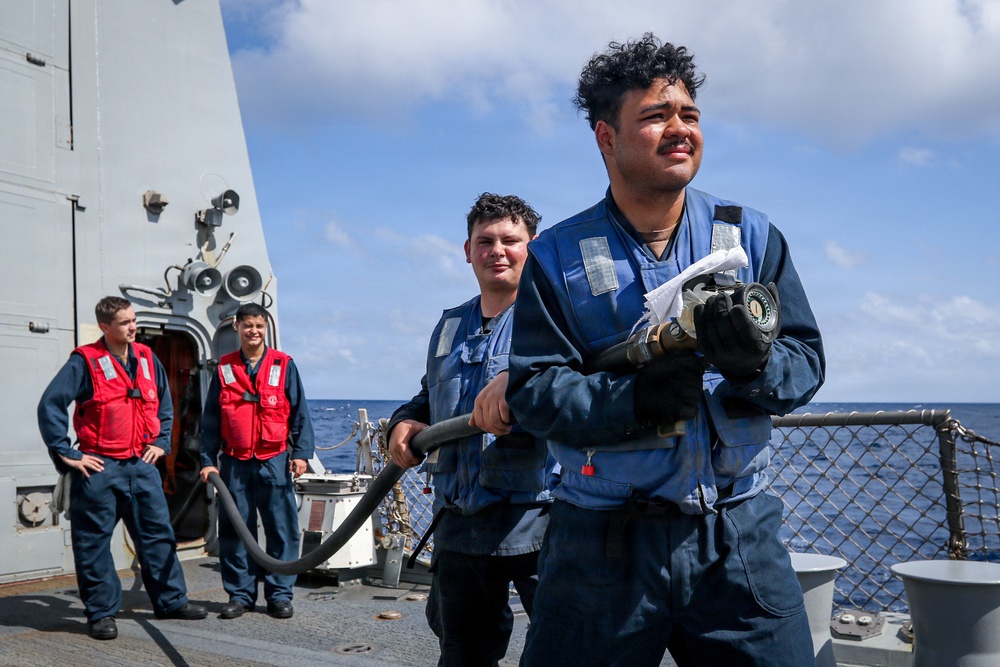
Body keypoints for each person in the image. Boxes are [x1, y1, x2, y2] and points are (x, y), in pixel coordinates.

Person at [506, 34, 826, 667]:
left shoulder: (754, 235)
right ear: (606, 137)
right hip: (600, 545)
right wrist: (634, 401)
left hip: (737, 536)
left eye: (690, 115)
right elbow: (535, 391)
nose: (680, 129)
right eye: (656, 116)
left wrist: (756, 365)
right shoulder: (554, 256)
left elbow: (806, 363)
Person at [388, 193, 551, 667]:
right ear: (467, 251)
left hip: (538, 519)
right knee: (462, 652)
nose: (497, 250)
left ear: (533, 248)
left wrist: (519, 382)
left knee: (564, 647)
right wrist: (403, 421)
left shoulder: (553, 321)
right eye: (485, 241)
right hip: (459, 521)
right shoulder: (450, 326)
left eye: (510, 240)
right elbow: (430, 394)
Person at [37, 296, 208, 641]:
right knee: (93, 543)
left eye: (133, 320)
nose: (133, 327)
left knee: (158, 536)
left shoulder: (147, 358)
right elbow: (50, 404)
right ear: (105, 327)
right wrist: (67, 452)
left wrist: (161, 442)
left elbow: (164, 404)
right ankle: (101, 613)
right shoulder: (84, 362)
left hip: (142, 467)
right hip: (100, 468)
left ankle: (171, 601)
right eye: (125, 322)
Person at [199, 303, 314, 620]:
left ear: (266, 329)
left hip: (273, 460)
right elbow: (210, 420)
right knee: (235, 531)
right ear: (237, 327)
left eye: (259, 326)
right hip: (234, 463)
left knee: (282, 530)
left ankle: (280, 595)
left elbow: (300, 412)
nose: (254, 331)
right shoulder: (224, 369)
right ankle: (240, 595)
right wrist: (208, 460)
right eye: (248, 325)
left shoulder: (284, 365)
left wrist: (301, 453)